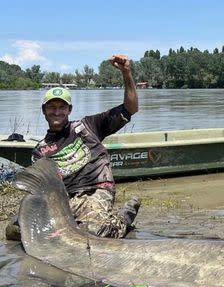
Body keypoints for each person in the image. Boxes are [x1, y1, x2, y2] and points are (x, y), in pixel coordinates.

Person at [8, 54, 141, 240]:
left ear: (69, 110)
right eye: (51, 107)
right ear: (43, 110)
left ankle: (123, 219)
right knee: (17, 231)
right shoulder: (40, 152)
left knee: (93, 233)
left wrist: (126, 73)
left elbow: (131, 108)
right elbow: (44, 190)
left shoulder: (88, 126)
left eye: (62, 107)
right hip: (65, 200)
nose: (56, 112)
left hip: (96, 190)